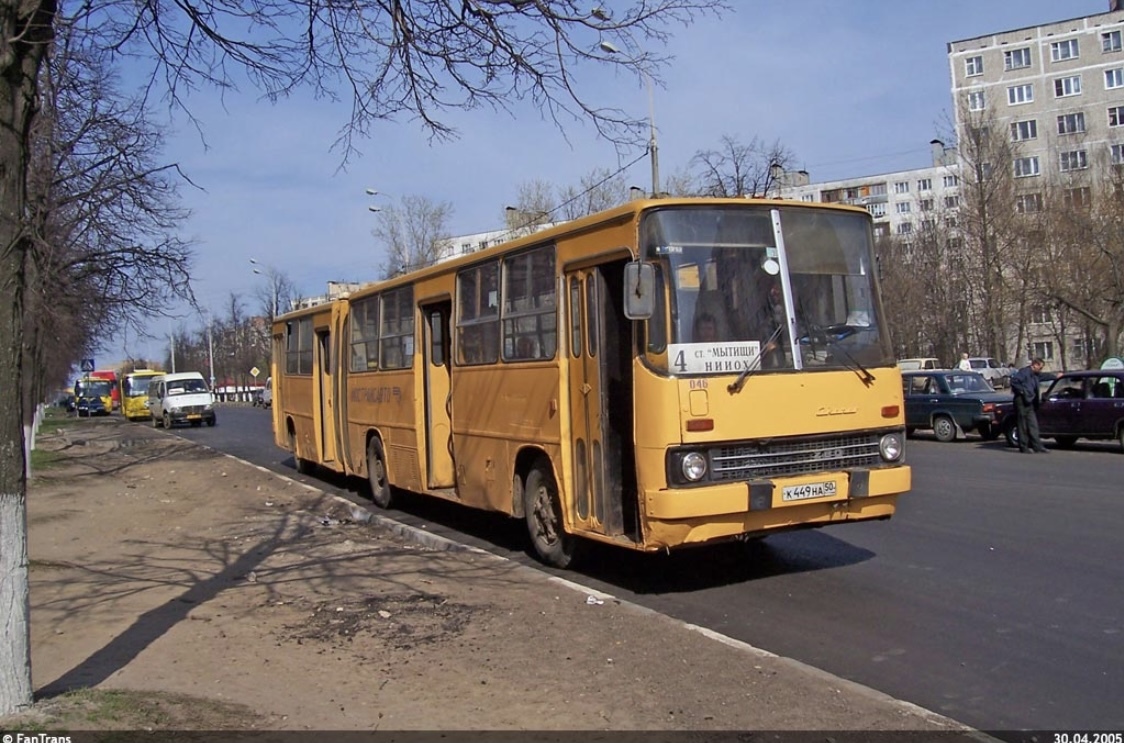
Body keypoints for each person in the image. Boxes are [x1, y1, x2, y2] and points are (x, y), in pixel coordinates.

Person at [1010, 357, 1048, 453]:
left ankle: (1037, 446)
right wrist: (1022, 392)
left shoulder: (1035, 375)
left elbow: (1044, 376)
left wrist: (1057, 376)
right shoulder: (1024, 372)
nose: (1041, 370)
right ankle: (1023, 446)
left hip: (1030, 402)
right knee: (1022, 425)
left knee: (1033, 424)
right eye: (1040, 367)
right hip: (1021, 401)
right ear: (1035, 365)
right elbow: (1014, 381)